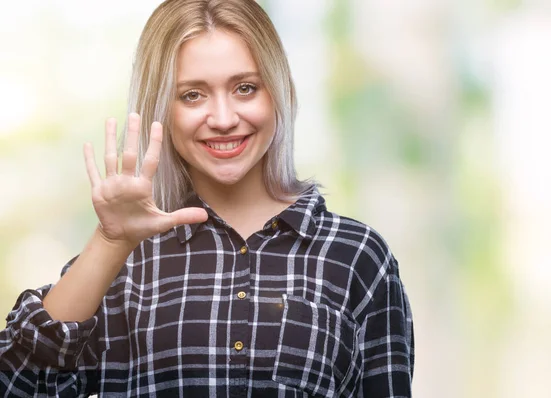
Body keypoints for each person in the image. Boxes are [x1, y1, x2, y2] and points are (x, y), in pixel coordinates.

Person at [0, 0, 414, 396]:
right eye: (192, 95)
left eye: (246, 88)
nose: (223, 119)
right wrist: (109, 244)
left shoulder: (356, 257)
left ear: (278, 91)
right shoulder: (124, 261)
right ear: (162, 106)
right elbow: (16, 386)